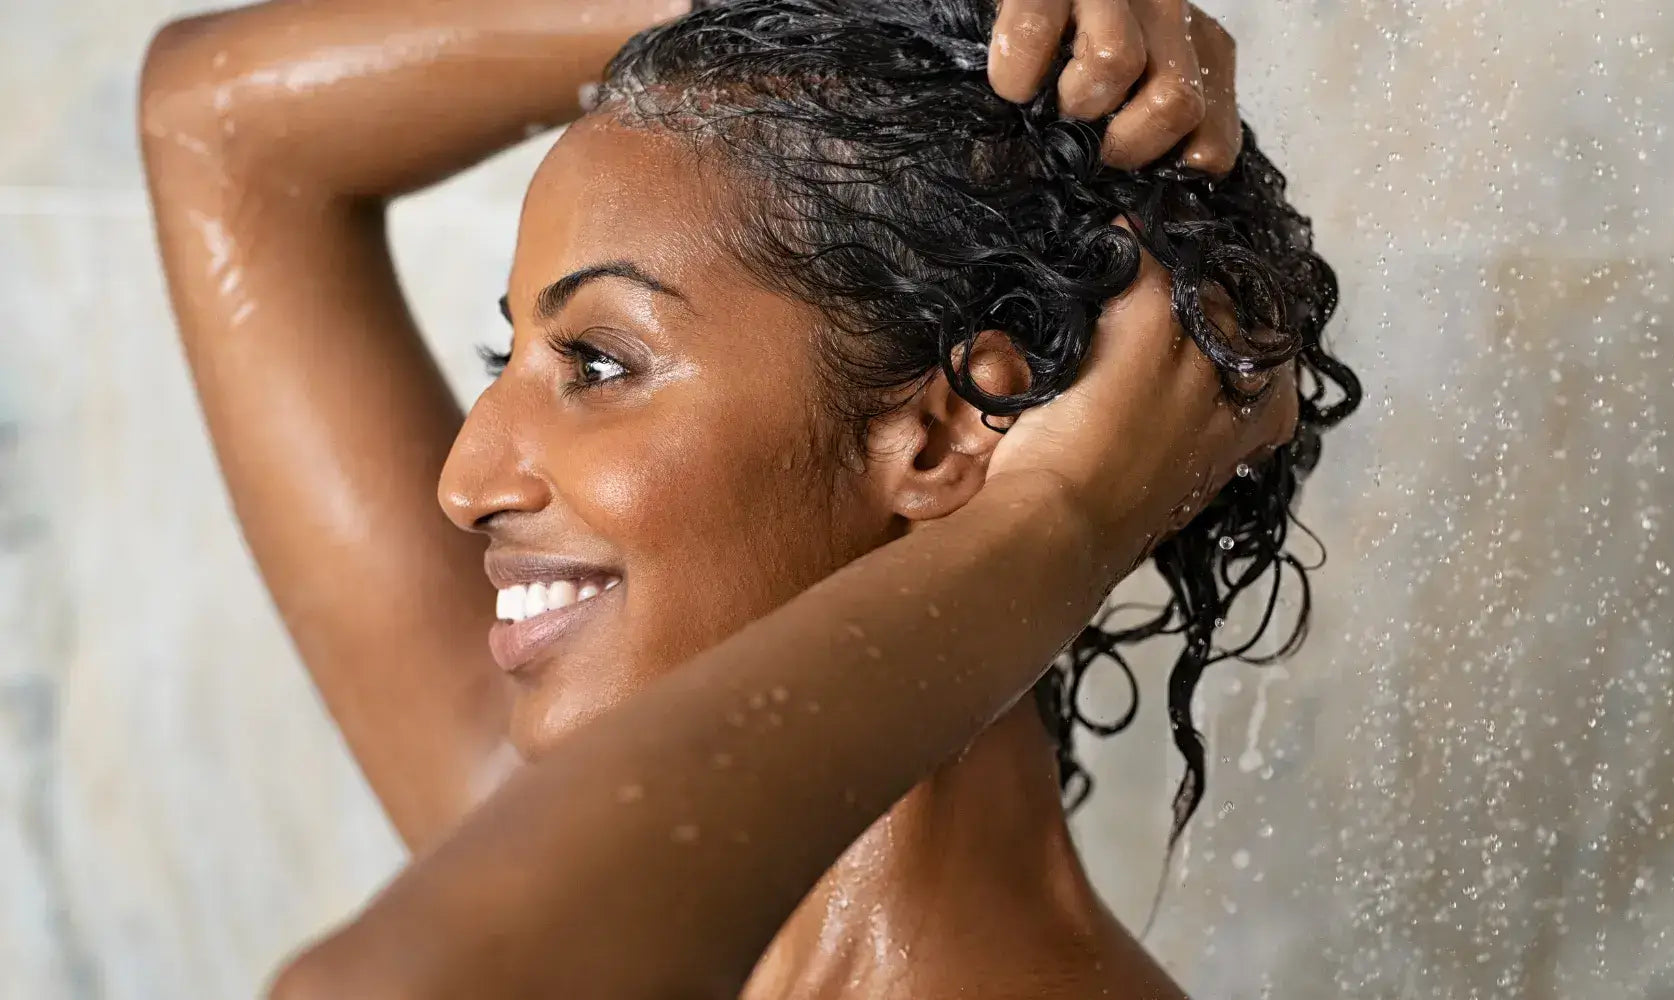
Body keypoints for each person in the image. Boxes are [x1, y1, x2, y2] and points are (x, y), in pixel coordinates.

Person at [137, 0, 1357, 995]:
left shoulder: (540, 911)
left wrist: (1059, 523)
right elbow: (219, 128)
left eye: (599, 364)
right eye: (503, 357)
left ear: (937, 441)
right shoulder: (579, 871)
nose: (463, 482)